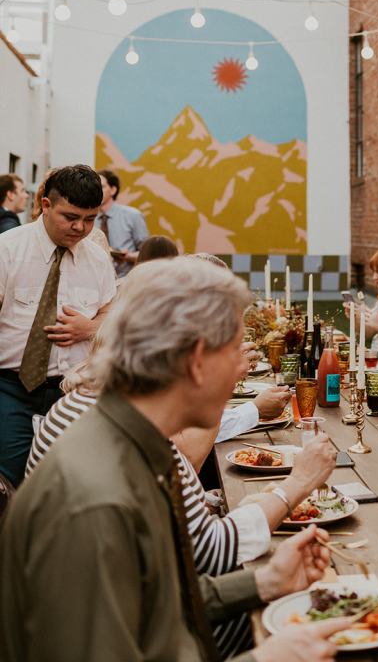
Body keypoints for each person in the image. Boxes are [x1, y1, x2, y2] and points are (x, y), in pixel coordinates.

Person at [1, 256, 351, 661]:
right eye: (236, 350)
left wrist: (264, 583)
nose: (243, 366)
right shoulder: (98, 501)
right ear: (197, 361)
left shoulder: (134, 444)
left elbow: (153, 601)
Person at [0, 164, 116, 487]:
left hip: (75, 394)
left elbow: (112, 314)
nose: (81, 227)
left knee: (68, 485)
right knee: (10, 486)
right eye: (71, 217)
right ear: (46, 205)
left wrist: (90, 328)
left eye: (90, 219)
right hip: (11, 391)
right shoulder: (7, 250)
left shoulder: (97, 259)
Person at [96, 168, 149, 276]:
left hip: (126, 280)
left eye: (101, 187)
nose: (97, 191)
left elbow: (147, 254)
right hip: (96, 281)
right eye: (94, 187)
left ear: (113, 190)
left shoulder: (133, 215)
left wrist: (128, 256)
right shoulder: (88, 218)